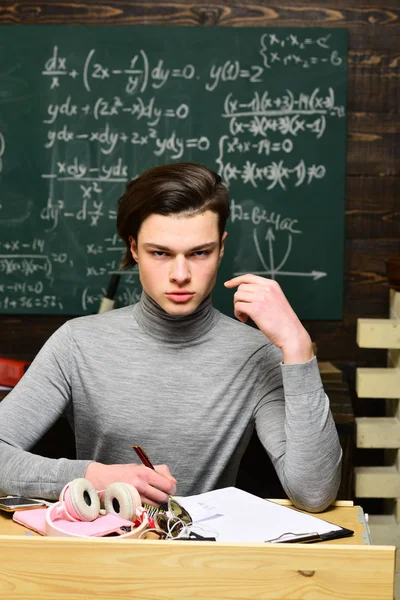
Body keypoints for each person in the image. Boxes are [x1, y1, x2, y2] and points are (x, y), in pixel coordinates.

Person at [0, 162, 342, 512]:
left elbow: (314, 493)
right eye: (160, 253)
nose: (181, 275)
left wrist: (297, 346)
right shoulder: (76, 343)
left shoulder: (256, 355)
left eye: (199, 252)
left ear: (221, 248)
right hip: (103, 555)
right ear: (134, 248)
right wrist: (90, 476)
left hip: (204, 558)